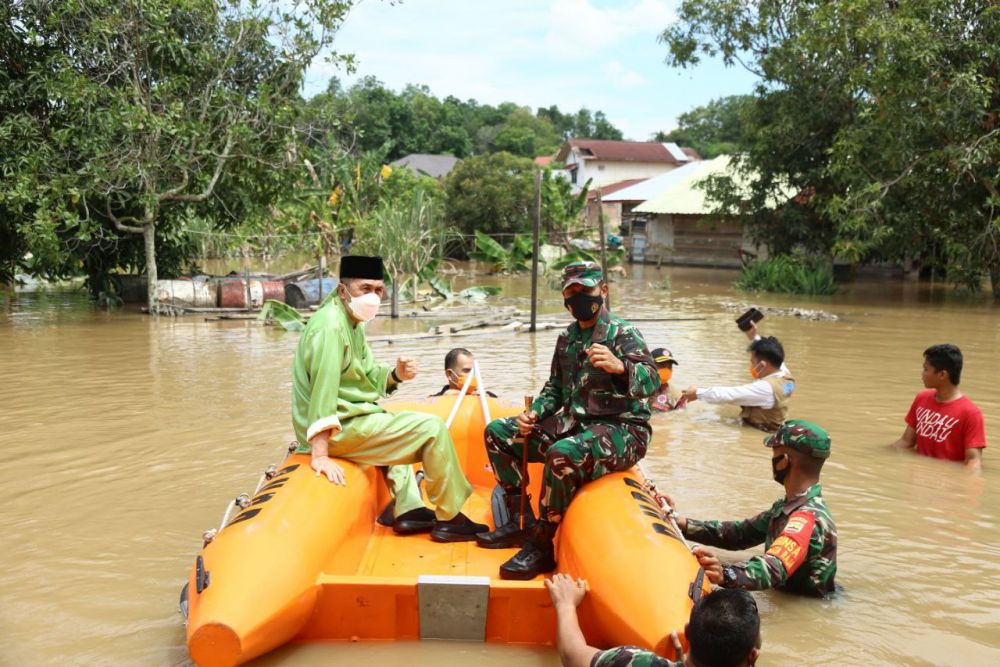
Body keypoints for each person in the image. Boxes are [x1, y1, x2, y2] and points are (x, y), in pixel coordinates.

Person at [478, 261, 660, 579]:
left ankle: (542, 544)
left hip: (623, 428)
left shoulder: (623, 333)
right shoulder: (568, 337)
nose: (578, 298)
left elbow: (652, 381)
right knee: (498, 433)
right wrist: (534, 413)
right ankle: (519, 521)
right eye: (571, 292)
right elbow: (555, 389)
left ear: (602, 290)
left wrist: (621, 367)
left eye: (585, 291)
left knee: (563, 453)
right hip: (575, 423)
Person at [291, 255, 487, 541]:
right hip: (335, 429)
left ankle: (408, 509)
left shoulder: (351, 319)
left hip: (352, 415)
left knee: (391, 420)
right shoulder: (331, 327)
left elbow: (365, 375)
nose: (373, 297)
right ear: (343, 290)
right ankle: (451, 517)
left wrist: (396, 374)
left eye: (379, 290)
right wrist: (320, 454)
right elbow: (323, 389)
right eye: (365, 288)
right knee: (431, 429)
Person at [665, 419, 837, 597]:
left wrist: (726, 574)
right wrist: (683, 524)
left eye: (773, 453)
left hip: (806, 606)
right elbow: (741, 534)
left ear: (783, 461)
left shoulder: (805, 518)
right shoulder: (789, 506)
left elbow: (773, 568)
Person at [545, 573, 762, 667]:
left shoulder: (634, 661)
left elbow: (572, 656)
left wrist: (565, 605)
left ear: (687, 631)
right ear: (753, 656)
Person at [680, 322, 794, 432]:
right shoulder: (785, 375)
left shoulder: (766, 388)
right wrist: (754, 337)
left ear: (762, 365)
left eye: (752, 362)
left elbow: (729, 394)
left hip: (761, 432)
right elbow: (772, 354)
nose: (751, 365)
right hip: (776, 426)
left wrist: (697, 393)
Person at [891, 344, 986, 472]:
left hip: (947, 483)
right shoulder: (921, 399)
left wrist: (965, 487)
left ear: (942, 374)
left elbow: (973, 461)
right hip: (918, 480)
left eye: (926, 369)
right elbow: (906, 442)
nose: (922, 374)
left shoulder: (971, 413)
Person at [429, 347, 497, 398]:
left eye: (473, 371)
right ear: (449, 374)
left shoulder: (487, 397)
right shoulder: (434, 400)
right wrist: (445, 398)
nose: (472, 376)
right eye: (467, 371)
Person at [650, 348, 685, 412]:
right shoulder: (637, 389)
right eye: (662, 366)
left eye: (669, 367)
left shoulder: (676, 394)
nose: (666, 370)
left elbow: (682, 415)